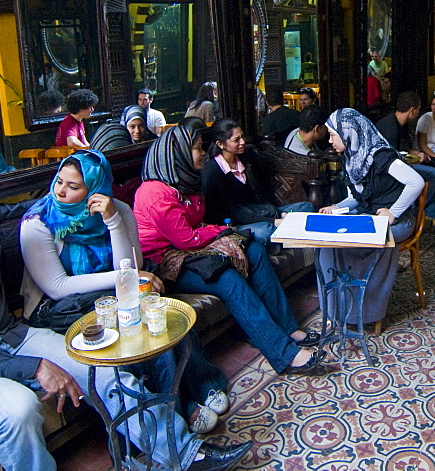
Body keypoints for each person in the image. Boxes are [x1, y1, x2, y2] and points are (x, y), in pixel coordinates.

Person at [0, 152, 251, 471]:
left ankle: (183, 455)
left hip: (11, 336)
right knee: (19, 411)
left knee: (106, 370)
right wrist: (34, 368)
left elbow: (41, 210)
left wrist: (105, 208)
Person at [19, 151, 228, 434]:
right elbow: (58, 287)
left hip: (112, 291)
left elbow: (132, 263)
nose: (61, 192)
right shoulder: (38, 222)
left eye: (74, 186)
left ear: (95, 189)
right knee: (138, 324)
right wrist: (124, 277)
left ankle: (204, 385)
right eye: (59, 182)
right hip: (60, 308)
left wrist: (112, 221)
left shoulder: (117, 209)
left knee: (159, 310)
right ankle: (182, 410)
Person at [134, 125, 323, 375]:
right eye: (197, 148)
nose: (202, 153)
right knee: (227, 278)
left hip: (195, 252)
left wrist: (217, 232)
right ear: (176, 153)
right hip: (167, 263)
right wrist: (220, 232)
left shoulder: (186, 183)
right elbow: (186, 240)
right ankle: (285, 353)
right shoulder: (155, 192)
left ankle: (288, 327)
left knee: (254, 250)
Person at [318, 109, 425, 324]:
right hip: (371, 214)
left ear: (349, 132)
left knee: (370, 241)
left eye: (333, 134)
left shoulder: (380, 155)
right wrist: (336, 207)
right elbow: (356, 198)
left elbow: (417, 182)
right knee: (329, 243)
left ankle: (368, 312)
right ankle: (337, 308)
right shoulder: (352, 157)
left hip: (399, 219)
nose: (330, 141)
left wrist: (393, 213)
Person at [200, 117, 315, 247]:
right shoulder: (213, 171)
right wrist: (274, 221)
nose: (242, 142)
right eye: (236, 140)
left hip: (261, 212)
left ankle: (287, 235)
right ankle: (290, 234)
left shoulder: (246, 158)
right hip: (237, 223)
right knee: (266, 230)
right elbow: (233, 212)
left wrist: (280, 214)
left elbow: (260, 197)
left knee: (306, 208)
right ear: (220, 144)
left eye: (242, 137)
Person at [375, 91, 435, 235]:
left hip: (401, 163)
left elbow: (401, 149)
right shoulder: (389, 127)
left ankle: (431, 215)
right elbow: (391, 159)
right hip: (388, 171)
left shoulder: (400, 122)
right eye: (418, 109)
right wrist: (413, 157)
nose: (418, 113)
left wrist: (414, 153)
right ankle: (417, 212)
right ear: (411, 110)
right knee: (433, 175)